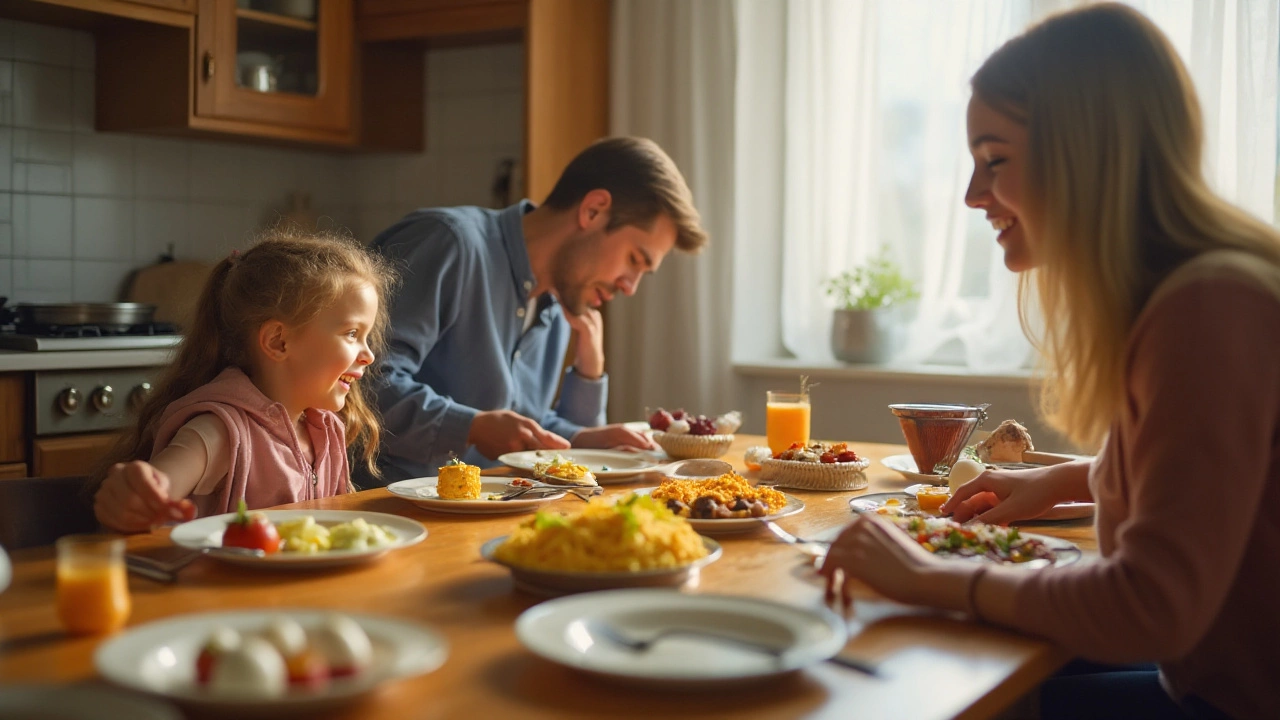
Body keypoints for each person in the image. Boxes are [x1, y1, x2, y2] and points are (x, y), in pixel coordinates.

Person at [819, 5, 1280, 719]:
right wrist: (1067, 479)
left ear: (1086, 152)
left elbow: (1151, 605)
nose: (974, 196)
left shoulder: (1206, 306)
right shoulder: (1183, 293)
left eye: (994, 160)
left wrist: (928, 576)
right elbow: (1210, 489)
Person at [369, 136, 709, 483]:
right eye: (634, 260)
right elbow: (361, 383)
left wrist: (581, 436)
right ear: (593, 210)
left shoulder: (558, 304)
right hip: (390, 514)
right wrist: (469, 427)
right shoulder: (449, 244)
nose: (629, 287)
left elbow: (520, 422)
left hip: (493, 514)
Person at [90, 229, 397, 533]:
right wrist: (134, 495)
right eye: (352, 334)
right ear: (278, 342)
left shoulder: (326, 430)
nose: (368, 355)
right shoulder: (222, 431)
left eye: (367, 336)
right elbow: (159, 484)